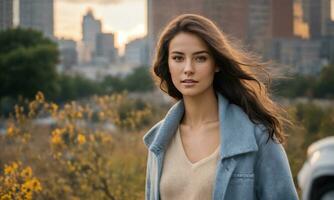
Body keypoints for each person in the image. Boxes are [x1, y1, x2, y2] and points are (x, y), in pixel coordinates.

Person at [143, 14, 298, 200]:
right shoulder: (159, 141)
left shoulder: (258, 137)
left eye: (200, 58)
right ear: (167, 64)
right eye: (178, 58)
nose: (188, 68)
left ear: (216, 64)